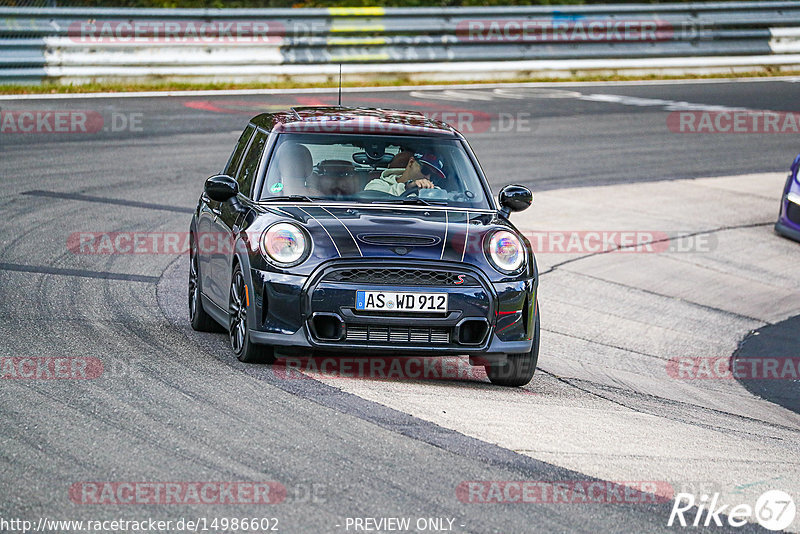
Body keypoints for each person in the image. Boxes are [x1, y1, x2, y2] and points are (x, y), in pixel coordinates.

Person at [364, 151, 445, 196]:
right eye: (425, 170)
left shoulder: (433, 192)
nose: (428, 177)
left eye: (434, 176)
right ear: (411, 162)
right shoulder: (378, 184)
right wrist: (407, 187)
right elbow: (370, 196)